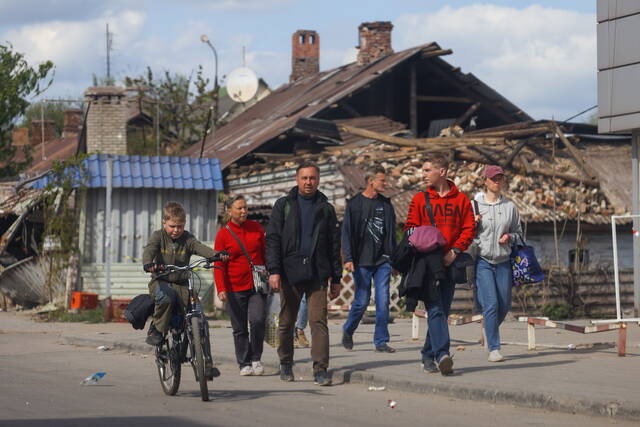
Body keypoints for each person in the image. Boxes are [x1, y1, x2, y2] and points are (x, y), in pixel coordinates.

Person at [265, 162, 342, 386]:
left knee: (318, 321)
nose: (309, 182)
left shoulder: (326, 209)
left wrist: (337, 278)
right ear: (297, 180)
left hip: (318, 273)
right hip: (290, 272)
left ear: (318, 180)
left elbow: (333, 244)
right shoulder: (284, 205)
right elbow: (273, 240)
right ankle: (286, 362)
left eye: (313, 178)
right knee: (287, 321)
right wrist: (274, 271)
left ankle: (320, 369)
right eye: (304, 178)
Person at [404, 155, 475, 376]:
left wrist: (455, 251)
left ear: (442, 171)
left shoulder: (461, 200)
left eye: (427, 170)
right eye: (422, 170)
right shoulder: (418, 199)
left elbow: (469, 228)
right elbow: (409, 228)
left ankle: (427, 355)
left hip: (451, 262)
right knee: (434, 308)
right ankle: (443, 354)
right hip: (426, 264)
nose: (422, 175)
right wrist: (425, 242)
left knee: (442, 311)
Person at [142, 202, 227, 348]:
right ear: (164, 223)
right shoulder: (158, 236)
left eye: (180, 226)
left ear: (184, 224)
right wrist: (149, 263)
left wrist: (216, 254)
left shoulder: (187, 238)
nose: (176, 230)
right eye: (172, 226)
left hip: (183, 283)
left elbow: (199, 247)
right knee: (166, 298)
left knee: (199, 318)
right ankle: (156, 329)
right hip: (161, 282)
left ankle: (205, 364)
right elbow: (149, 250)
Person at [341, 165, 397, 353]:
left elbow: (390, 234)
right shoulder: (355, 205)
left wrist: (393, 259)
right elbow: (346, 233)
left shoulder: (386, 205)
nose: (385, 183)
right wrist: (348, 257)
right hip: (361, 262)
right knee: (362, 301)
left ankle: (381, 341)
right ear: (371, 181)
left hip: (382, 261)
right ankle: (348, 330)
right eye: (382, 179)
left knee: (383, 301)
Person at [473, 165, 523, 362]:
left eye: (500, 178)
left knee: (504, 305)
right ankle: (494, 348)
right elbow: (466, 234)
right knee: (491, 304)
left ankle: (488, 328)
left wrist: (509, 236)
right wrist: (473, 225)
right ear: (485, 181)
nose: (497, 182)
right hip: (483, 260)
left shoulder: (510, 207)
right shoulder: (474, 206)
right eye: (493, 178)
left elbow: (519, 234)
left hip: (503, 261)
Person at [214, 195, 268, 375]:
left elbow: (265, 254)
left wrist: (274, 275)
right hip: (233, 287)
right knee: (239, 327)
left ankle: (256, 358)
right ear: (229, 211)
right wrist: (221, 288)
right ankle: (244, 362)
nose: (244, 211)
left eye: (245, 208)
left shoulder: (256, 228)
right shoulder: (223, 234)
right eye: (240, 208)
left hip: (257, 285)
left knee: (258, 320)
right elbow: (219, 265)